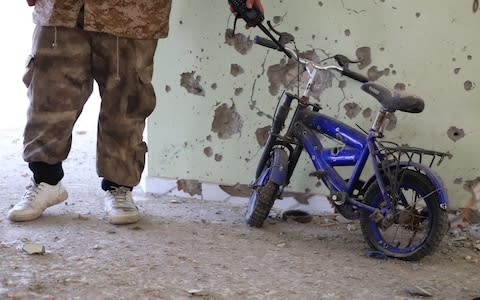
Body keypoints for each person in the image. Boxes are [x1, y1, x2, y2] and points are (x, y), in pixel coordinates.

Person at [8, 0, 264, 225]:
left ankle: (118, 188)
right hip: (62, 9)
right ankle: (46, 180)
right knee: (48, 93)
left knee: (127, 101)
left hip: (134, 13)